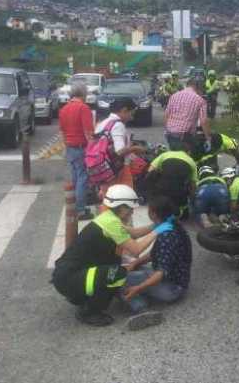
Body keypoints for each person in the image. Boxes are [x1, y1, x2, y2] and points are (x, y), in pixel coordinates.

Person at [52, 185, 165, 327]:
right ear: (121, 207)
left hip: (68, 275)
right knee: (116, 274)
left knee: (114, 262)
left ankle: (81, 297)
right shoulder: (112, 223)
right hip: (69, 279)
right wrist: (159, 231)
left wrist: (155, 226)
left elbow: (134, 233)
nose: (132, 212)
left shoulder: (108, 218)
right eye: (130, 208)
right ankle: (89, 312)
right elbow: (136, 250)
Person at [123, 195, 192, 329]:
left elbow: (160, 274)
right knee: (129, 269)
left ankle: (142, 310)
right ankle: (137, 297)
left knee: (118, 279)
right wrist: (134, 264)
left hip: (172, 288)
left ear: (153, 214)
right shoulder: (170, 224)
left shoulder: (167, 235)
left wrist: (138, 288)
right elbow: (154, 254)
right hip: (176, 279)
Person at [59, 81, 94, 220]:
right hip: (81, 147)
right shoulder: (83, 108)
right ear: (83, 93)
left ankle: (74, 205)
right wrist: (93, 150)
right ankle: (80, 210)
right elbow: (88, 131)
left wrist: (65, 145)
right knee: (83, 178)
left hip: (70, 147)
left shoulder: (64, 109)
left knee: (75, 177)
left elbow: (62, 131)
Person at [94, 98, 146, 189]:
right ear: (124, 110)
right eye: (131, 113)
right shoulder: (118, 125)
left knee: (108, 197)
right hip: (116, 170)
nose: (132, 117)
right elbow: (120, 151)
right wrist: (135, 148)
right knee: (123, 197)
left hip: (102, 168)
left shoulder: (102, 123)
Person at [146, 146, 199, 216]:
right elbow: (193, 185)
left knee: (153, 175)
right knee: (182, 214)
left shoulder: (165, 155)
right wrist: (193, 200)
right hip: (179, 194)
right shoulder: (191, 161)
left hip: (161, 190)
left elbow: (150, 171)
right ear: (188, 152)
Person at [164, 78, 211, 151]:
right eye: (202, 89)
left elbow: (166, 115)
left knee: (175, 157)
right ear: (197, 87)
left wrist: (167, 130)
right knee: (187, 159)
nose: (202, 92)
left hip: (170, 134)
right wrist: (208, 139)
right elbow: (203, 121)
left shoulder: (174, 96)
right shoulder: (200, 100)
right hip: (184, 137)